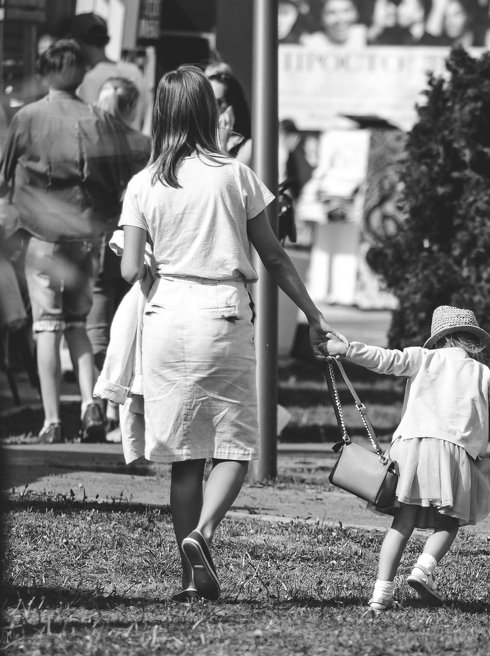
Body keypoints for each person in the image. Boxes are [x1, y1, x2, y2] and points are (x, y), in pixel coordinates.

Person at [117, 65, 345, 602]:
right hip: (221, 312)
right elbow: (274, 255)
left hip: (167, 315)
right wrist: (314, 316)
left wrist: (152, 257)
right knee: (234, 447)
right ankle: (205, 533)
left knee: (182, 455)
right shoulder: (233, 175)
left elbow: (129, 270)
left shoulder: (144, 182)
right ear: (204, 110)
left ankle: (189, 577)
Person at [323, 305, 490, 614]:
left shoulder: (422, 358)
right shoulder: (483, 373)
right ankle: (423, 569)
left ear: (439, 340)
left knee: (402, 522)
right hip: (454, 452)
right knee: (449, 520)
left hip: (410, 448)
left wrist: (346, 349)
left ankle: (379, 595)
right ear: (473, 342)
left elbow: (384, 360)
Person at [0, 40, 123, 444]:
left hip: (41, 235)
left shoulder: (27, 117)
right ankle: (91, 405)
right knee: (77, 325)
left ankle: (52, 420)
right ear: (83, 73)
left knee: (47, 326)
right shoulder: (97, 118)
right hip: (86, 236)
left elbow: (4, 176)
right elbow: (113, 182)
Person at [86, 76, 152, 443]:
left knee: (97, 325)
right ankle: (116, 406)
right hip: (131, 242)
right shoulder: (142, 145)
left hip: (93, 240)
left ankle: (96, 401)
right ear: (131, 107)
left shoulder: (88, 141)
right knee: (126, 324)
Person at [71, 13, 150, 133]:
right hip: (137, 147)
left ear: (77, 42)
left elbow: (88, 128)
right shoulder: (134, 71)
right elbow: (147, 116)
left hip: (105, 150)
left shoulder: (89, 79)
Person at [206, 70, 253, 166]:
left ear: (232, 106)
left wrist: (222, 145)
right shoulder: (202, 140)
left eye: (217, 103)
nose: (209, 109)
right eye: (205, 102)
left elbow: (233, 177)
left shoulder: (248, 146)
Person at [302, 0, 368, 47]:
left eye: (346, 11)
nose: (340, 19)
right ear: (321, 18)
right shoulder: (312, 44)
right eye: (332, 12)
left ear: (356, 13)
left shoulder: (365, 37)